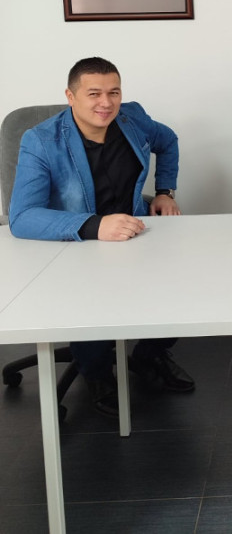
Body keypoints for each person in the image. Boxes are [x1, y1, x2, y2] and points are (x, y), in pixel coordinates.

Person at [9, 57, 195, 417]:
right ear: (70, 96)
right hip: (75, 244)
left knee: (182, 280)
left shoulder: (131, 118)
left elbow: (168, 141)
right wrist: (95, 226)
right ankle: (96, 372)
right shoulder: (42, 140)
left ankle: (149, 355)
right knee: (90, 298)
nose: (106, 103)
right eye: (94, 93)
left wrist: (164, 192)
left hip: (134, 233)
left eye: (114, 92)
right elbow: (22, 217)